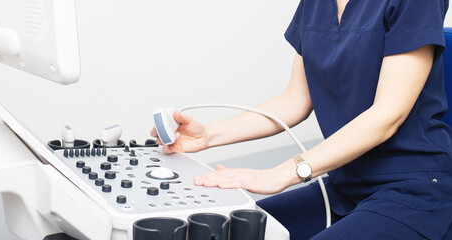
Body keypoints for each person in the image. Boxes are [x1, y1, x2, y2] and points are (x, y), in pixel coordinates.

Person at [151, 0, 452, 239]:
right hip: (343, 187)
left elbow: (387, 115)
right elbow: (295, 99)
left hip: (413, 189)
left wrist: (281, 174)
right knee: (232, 231)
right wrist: (209, 135)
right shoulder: (316, 3)